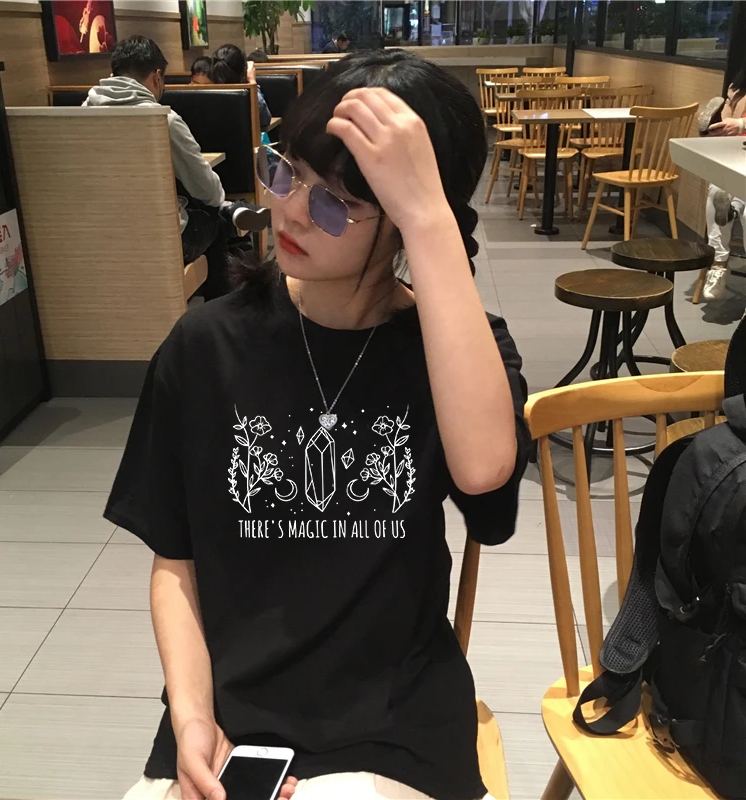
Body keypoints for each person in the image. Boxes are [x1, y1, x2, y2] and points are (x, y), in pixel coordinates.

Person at [105, 50, 528, 800]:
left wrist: (430, 218)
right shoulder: (205, 346)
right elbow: (176, 562)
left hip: (396, 723)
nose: (293, 211)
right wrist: (192, 715)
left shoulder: (455, 353)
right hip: (230, 714)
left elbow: (485, 474)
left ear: (406, 222)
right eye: (286, 171)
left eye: (336, 203)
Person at [85, 36, 270, 300]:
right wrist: (219, 201)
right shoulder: (164, 120)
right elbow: (207, 190)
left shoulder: (78, 115)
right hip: (158, 240)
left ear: (113, 75)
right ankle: (219, 308)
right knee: (215, 222)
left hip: (95, 237)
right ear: (157, 77)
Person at [701, 63, 746, 301]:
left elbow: (738, 125)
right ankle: (718, 264)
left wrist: (741, 125)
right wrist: (720, 126)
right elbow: (731, 125)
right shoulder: (737, 88)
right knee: (717, 191)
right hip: (738, 159)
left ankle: (735, 207)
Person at [206, 43, 272, 129]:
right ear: (244, 71)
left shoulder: (204, 96)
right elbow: (265, 120)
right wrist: (252, 82)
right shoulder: (247, 97)